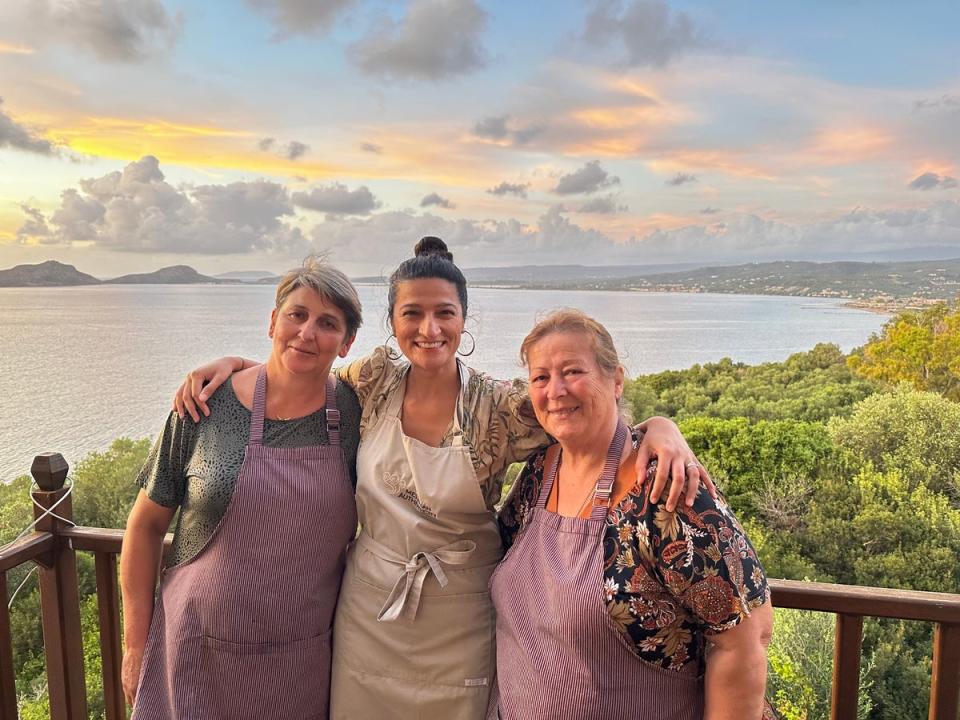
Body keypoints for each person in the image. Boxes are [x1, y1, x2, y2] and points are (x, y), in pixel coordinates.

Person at [174, 237, 713, 719]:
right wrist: (236, 365)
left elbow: (578, 415)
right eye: (412, 313)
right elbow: (301, 370)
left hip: (461, 619)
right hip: (370, 615)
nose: (428, 330)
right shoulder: (373, 380)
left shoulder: (501, 407)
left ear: (463, 321)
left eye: (444, 314)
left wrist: (656, 428)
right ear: (393, 322)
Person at [492, 308, 774, 720]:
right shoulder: (538, 473)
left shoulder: (666, 490)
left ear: (616, 380)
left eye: (572, 371)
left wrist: (661, 427)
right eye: (541, 377)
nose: (556, 390)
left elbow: (746, 637)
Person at [120, 257, 364, 720]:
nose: (307, 332)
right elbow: (145, 526)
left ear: (347, 343)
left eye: (327, 323)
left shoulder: (356, 415)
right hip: (191, 652)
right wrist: (135, 646)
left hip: (299, 665)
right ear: (272, 321)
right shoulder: (204, 406)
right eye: (296, 314)